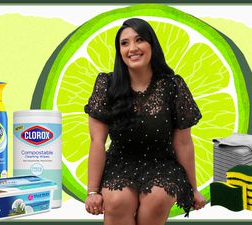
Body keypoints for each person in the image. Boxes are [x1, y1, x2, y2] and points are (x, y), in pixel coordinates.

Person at [84, 18, 206, 225]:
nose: (132, 48)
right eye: (124, 43)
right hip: (120, 162)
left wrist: (194, 189)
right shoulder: (106, 84)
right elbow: (97, 142)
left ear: (152, 45)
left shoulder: (173, 86)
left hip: (162, 163)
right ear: (119, 51)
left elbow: (184, 143)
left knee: (158, 198)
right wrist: (92, 191)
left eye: (139, 40)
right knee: (116, 200)